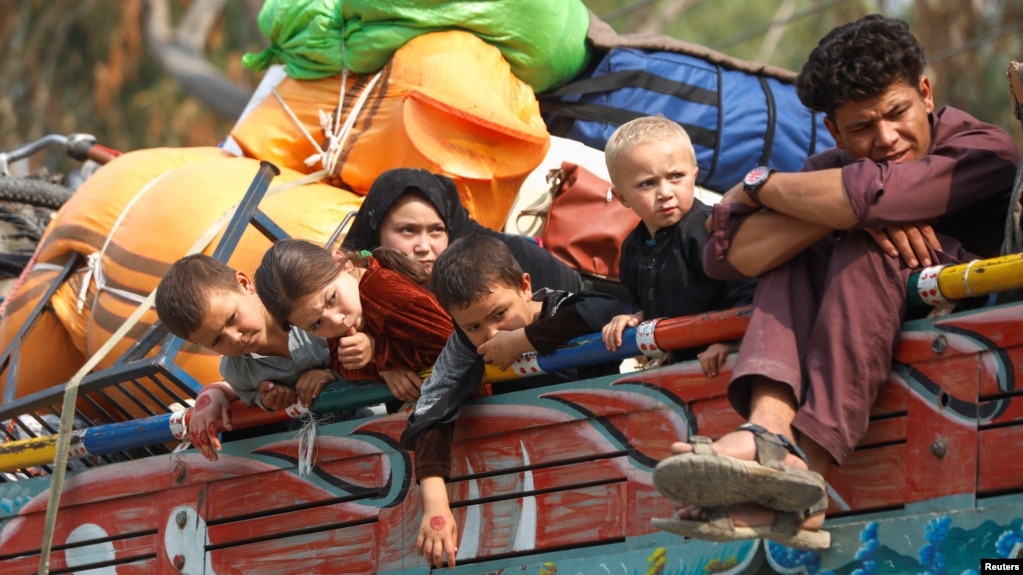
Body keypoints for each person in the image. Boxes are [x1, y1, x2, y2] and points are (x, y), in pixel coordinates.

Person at [651, 14, 1019, 550]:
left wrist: (763, 186)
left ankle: (806, 476)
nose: (886, 138)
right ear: (834, 131)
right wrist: (833, 212)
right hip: (865, 340)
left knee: (861, 240)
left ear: (925, 92)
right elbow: (730, 255)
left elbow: (877, 197)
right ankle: (769, 430)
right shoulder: (830, 168)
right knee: (802, 246)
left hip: (976, 335)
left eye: (897, 114)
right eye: (862, 128)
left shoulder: (985, 149)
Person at [398, 235, 620, 568]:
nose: (490, 334)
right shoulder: (464, 348)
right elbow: (428, 413)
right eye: (473, 326)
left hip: (606, 466)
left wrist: (523, 340)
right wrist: (436, 506)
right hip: (527, 492)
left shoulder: (564, 310)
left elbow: (608, 306)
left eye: (500, 314)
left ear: (524, 286)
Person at [599, 115, 756, 377]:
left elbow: (750, 294)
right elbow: (645, 304)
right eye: (647, 183)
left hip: (729, 360)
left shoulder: (713, 230)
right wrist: (633, 318)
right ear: (622, 197)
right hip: (681, 368)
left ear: (694, 175)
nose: (665, 192)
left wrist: (731, 342)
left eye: (676, 177)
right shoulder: (632, 249)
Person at [155, 254, 351, 460]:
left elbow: (368, 341)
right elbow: (245, 393)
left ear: (244, 284)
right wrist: (267, 400)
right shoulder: (238, 370)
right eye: (216, 341)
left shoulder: (306, 307)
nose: (234, 338)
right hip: (326, 442)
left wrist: (333, 374)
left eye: (231, 319)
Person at [254, 238, 454, 403]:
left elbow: (455, 342)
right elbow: (342, 364)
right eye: (316, 325)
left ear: (342, 262)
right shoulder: (344, 317)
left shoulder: (384, 293)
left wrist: (379, 353)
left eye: (331, 299)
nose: (337, 320)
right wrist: (382, 367)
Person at [342, 167, 584, 292]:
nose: (424, 247)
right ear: (376, 233)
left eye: (436, 230)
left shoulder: (505, 258)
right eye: (407, 230)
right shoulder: (349, 283)